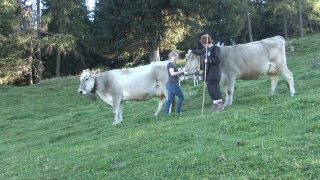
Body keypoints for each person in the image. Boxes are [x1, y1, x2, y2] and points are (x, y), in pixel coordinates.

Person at [189, 34, 224, 112]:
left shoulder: (215, 48)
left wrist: (208, 61)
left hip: (214, 72)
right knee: (210, 89)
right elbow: (200, 52)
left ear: (207, 42)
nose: (203, 45)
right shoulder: (205, 49)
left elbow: (217, 60)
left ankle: (220, 105)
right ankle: (215, 105)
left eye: (204, 44)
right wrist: (192, 51)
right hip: (207, 73)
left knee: (215, 89)